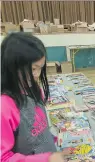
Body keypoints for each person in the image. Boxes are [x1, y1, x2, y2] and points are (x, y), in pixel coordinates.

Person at [1, 32, 69, 162]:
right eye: (33, 69)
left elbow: (39, 130)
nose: (37, 74)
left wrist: (54, 140)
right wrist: (46, 158)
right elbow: (3, 158)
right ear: (12, 66)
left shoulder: (34, 89)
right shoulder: (5, 106)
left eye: (40, 68)